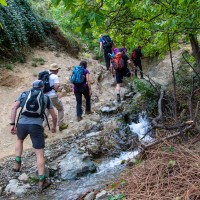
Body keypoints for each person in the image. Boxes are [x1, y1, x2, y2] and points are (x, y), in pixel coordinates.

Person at [10, 80, 57, 191]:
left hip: (22, 124)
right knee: (39, 153)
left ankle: (17, 164)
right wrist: (54, 126)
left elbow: (13, 108)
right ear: (42, 87)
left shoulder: (24, 94)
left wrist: (12, 124)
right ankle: (42, 180)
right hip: (36, 126)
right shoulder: (45, 98)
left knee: (19, 140)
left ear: (32, 86)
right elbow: (54, 115)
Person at [44, 63, 68, 131]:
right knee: (60, 108)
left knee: (47, 112)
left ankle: (41, 129)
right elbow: (56, 86)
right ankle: (61, 124)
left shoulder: (46, 75)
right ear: (56, 70)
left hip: (45, 97)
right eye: (58, 70)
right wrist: (55, 90)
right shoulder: (55, 76)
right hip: (52, 96)